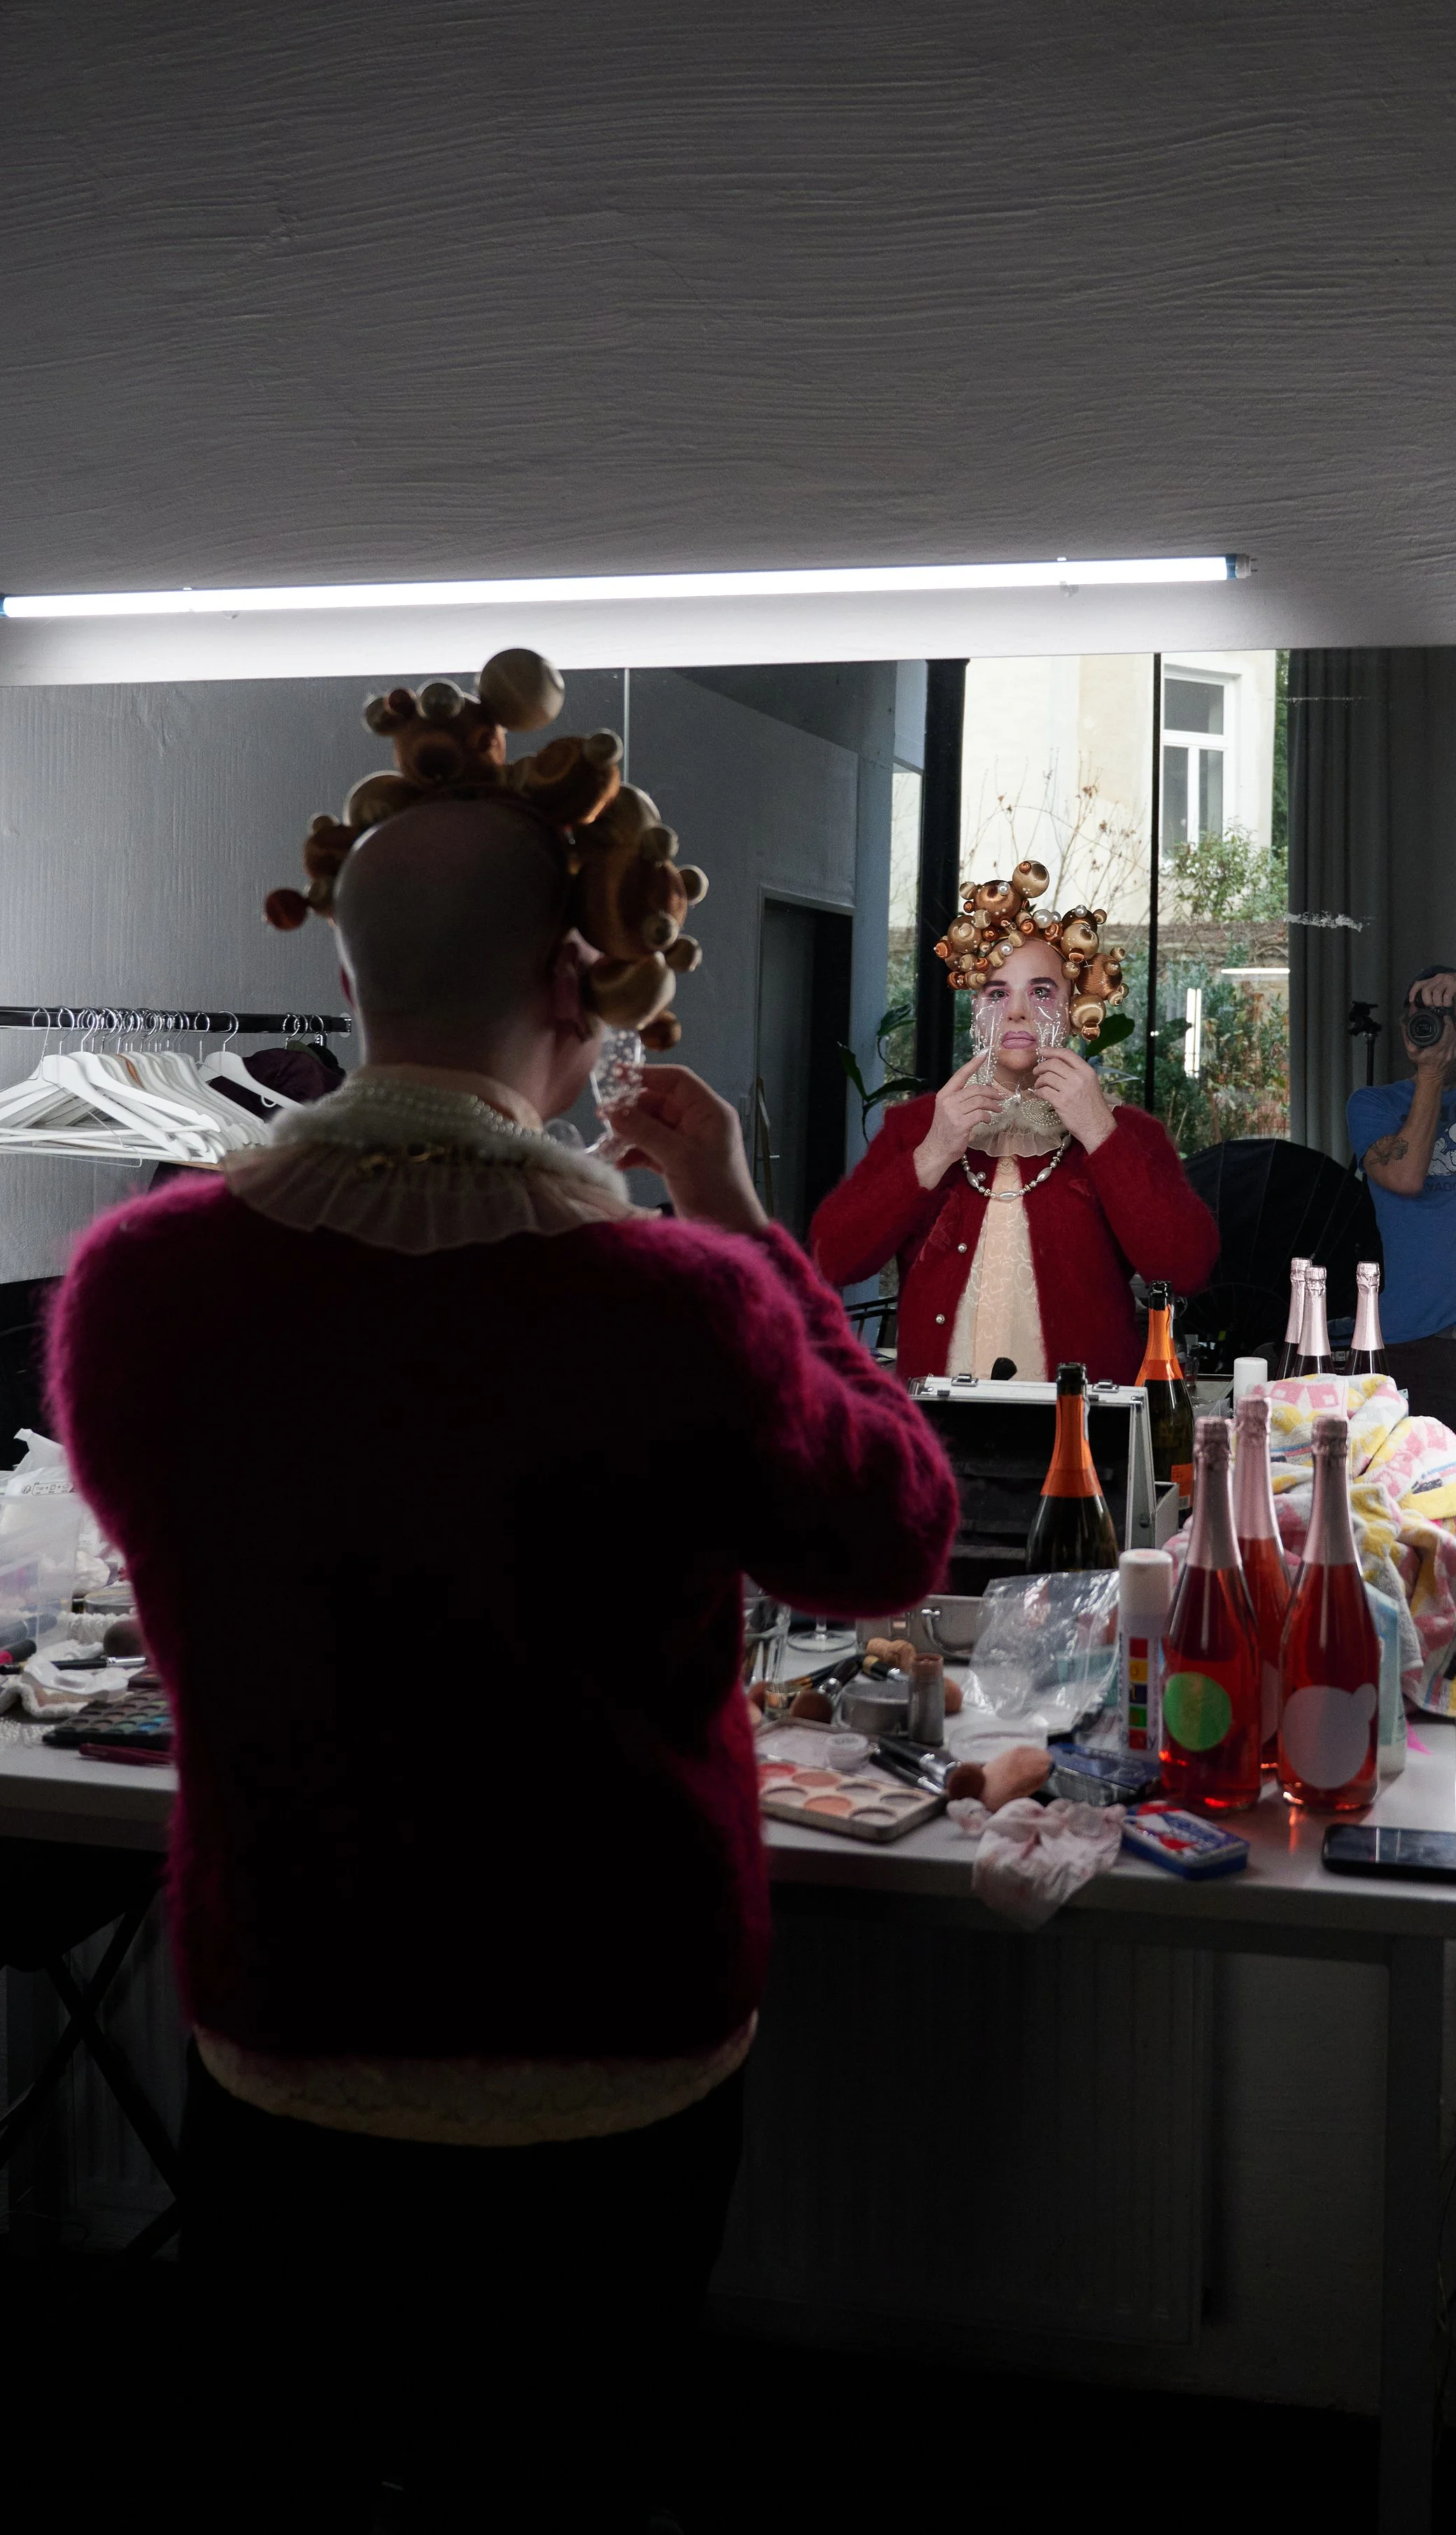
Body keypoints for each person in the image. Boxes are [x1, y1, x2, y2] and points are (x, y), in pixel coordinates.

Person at [50, 665, 957, 2532]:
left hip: (288, 2031)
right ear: (578, 987)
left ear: (348, 980)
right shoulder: (673, 1305)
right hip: (609, 2051)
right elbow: (893, 1534)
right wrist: (736, 1214)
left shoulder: (133, 1289)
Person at [812, 860, 1218, 1383]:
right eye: (997, 992)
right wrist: (933, 1152)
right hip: (942, 1442)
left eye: (1042, 992)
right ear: (975, 1007)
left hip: (1082, 1441)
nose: (1018, 1013)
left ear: (1074, 1008)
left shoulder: (1127, 1133)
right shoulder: (918, 1126)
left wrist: (1099, 1133)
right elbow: (833, 1258)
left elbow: (1186, 1268)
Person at [1345, 963, 1456, 1459]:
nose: (1428, 1024)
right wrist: (1432, 1073)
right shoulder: (1374, 1104)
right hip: (1412, 1343)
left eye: (1445, 1014)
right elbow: (1404, 1178)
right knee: (1416, 1508)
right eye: (1418, 1015)